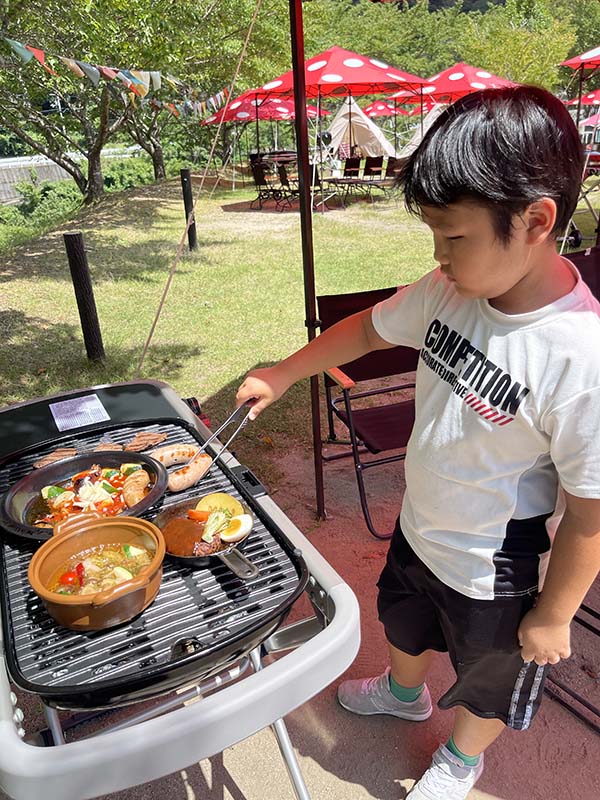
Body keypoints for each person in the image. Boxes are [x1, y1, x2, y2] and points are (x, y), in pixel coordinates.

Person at [236, 85, 600, 799]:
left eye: (454, 236)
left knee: (488, 675)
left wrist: (555, 615)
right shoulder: (448, 291)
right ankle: (405, 694)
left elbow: (590, 513)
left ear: (536, 220)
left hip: (500, 568)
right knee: (402, 619)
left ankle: (463, 760)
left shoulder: (579, 356)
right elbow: (370, 329)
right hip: (421, 524)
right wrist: (282, 373)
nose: (439, 255)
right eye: (433, 235)